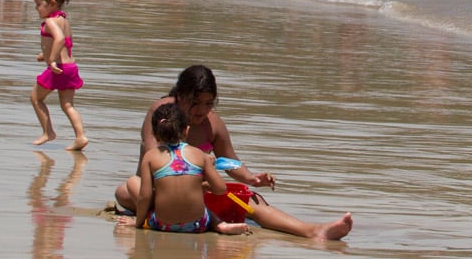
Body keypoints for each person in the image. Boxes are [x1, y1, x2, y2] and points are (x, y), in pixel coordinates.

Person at [114, 66, 352, 240]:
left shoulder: (212, 124)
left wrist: (251, 178)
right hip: (157, 191)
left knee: (252, 200)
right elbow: (152, 151)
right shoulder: (162, 112)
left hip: (198, 195)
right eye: (194, 103)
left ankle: (313, 231)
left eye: (208, 103)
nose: (201, 110)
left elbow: (230, 162)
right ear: (180, 97)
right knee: (127, 187)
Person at [116, 104, 250, 235]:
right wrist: (201, 185)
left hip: (163, 225)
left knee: (132, 181)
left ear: (155, 134)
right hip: (197, 225)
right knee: (205, 209)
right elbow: (221, 189)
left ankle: (151, 219)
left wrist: (138, 223)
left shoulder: (150, 157)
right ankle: (220, 225)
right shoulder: (200, 155)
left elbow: (145, 197)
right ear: (186, 130)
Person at [30, 0, 88, 150]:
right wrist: (46, 54)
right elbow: (67, 42)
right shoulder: (63, 19)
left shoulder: (51, 22)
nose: (36, 8)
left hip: (58, 69)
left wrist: (52, 59)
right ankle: (81, 136)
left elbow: (59, 39)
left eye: (38, 4)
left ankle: (48, 132)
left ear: (52, 3)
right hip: (71, 68)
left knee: (36, 98)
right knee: (68, 105)